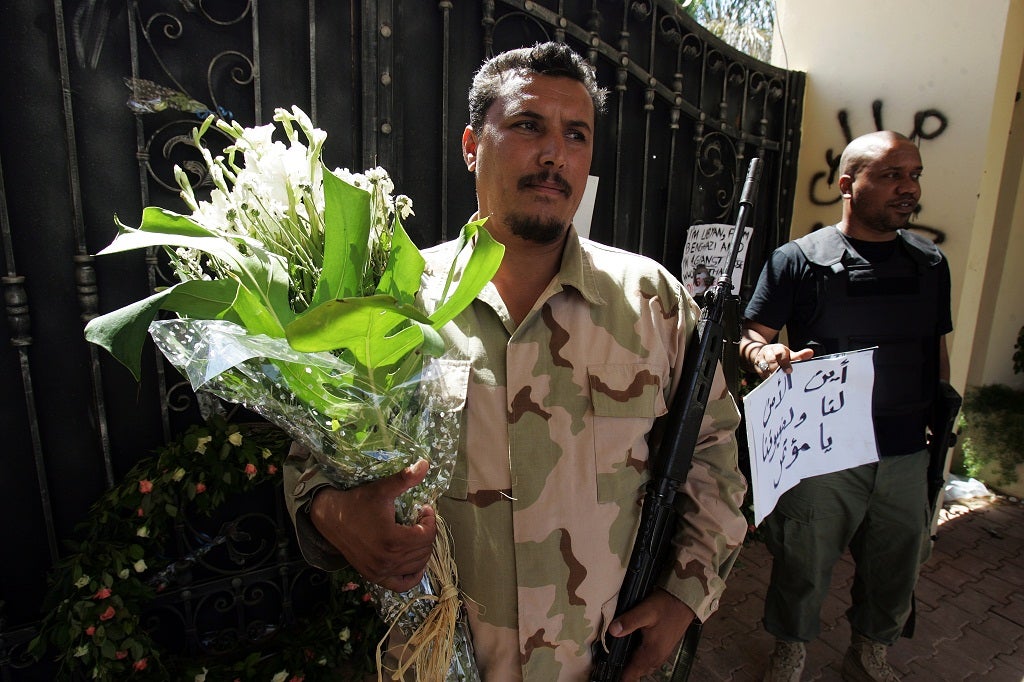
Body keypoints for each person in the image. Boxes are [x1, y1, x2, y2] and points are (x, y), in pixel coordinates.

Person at [284, 42, 748, 681]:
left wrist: (685, 596)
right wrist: (336, 515)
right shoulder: (392, 301)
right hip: (439, 662)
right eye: (528, 125)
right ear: (473, 144)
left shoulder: (652, 304)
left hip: (601, 661)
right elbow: (312, 464)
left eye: (576, 135)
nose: (554, 152)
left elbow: (715, 455)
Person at [739, 131, 952, 682]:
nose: (908, 188)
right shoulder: (798, 261)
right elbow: (750, 336)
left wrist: (935, 424)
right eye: (890, 176)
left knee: (897, 566)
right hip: (823, 452)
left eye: (914, 175)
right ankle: (790, 650)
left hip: (905, 451)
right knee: (802, 562)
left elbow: (936, 349)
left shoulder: (930, 264)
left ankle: (869, 652)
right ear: (847, 185)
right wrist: (766, 356)